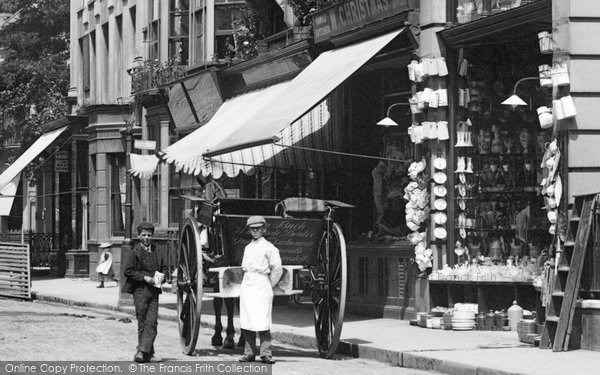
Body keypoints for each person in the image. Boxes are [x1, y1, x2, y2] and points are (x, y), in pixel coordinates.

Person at [238, 216, 283, 364]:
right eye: (252, 229)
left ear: (264, 229)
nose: (255, 231)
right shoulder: (248, 248)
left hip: (262, 284)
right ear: (249, 230)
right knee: (248, 320)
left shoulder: (269, 248)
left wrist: (268, 283)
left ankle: (265, 354)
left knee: (263, 321)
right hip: (248, 285)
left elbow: (277, 268)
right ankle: (249, 353)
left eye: (258, 228)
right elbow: (244, 269)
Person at [122, 222, 168, 363]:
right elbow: (128, 271)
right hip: (140, 290)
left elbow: (165, 268)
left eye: (149, 235)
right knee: (143, 322)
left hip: (154, 291)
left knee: (152, 322)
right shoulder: (133, 252)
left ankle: (142, 352)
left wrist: (162, 277)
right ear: (139, 236)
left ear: (153, 236)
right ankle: (148, 353)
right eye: (144, 235)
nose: (146, 238)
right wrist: (144, 277)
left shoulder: (158, 251)